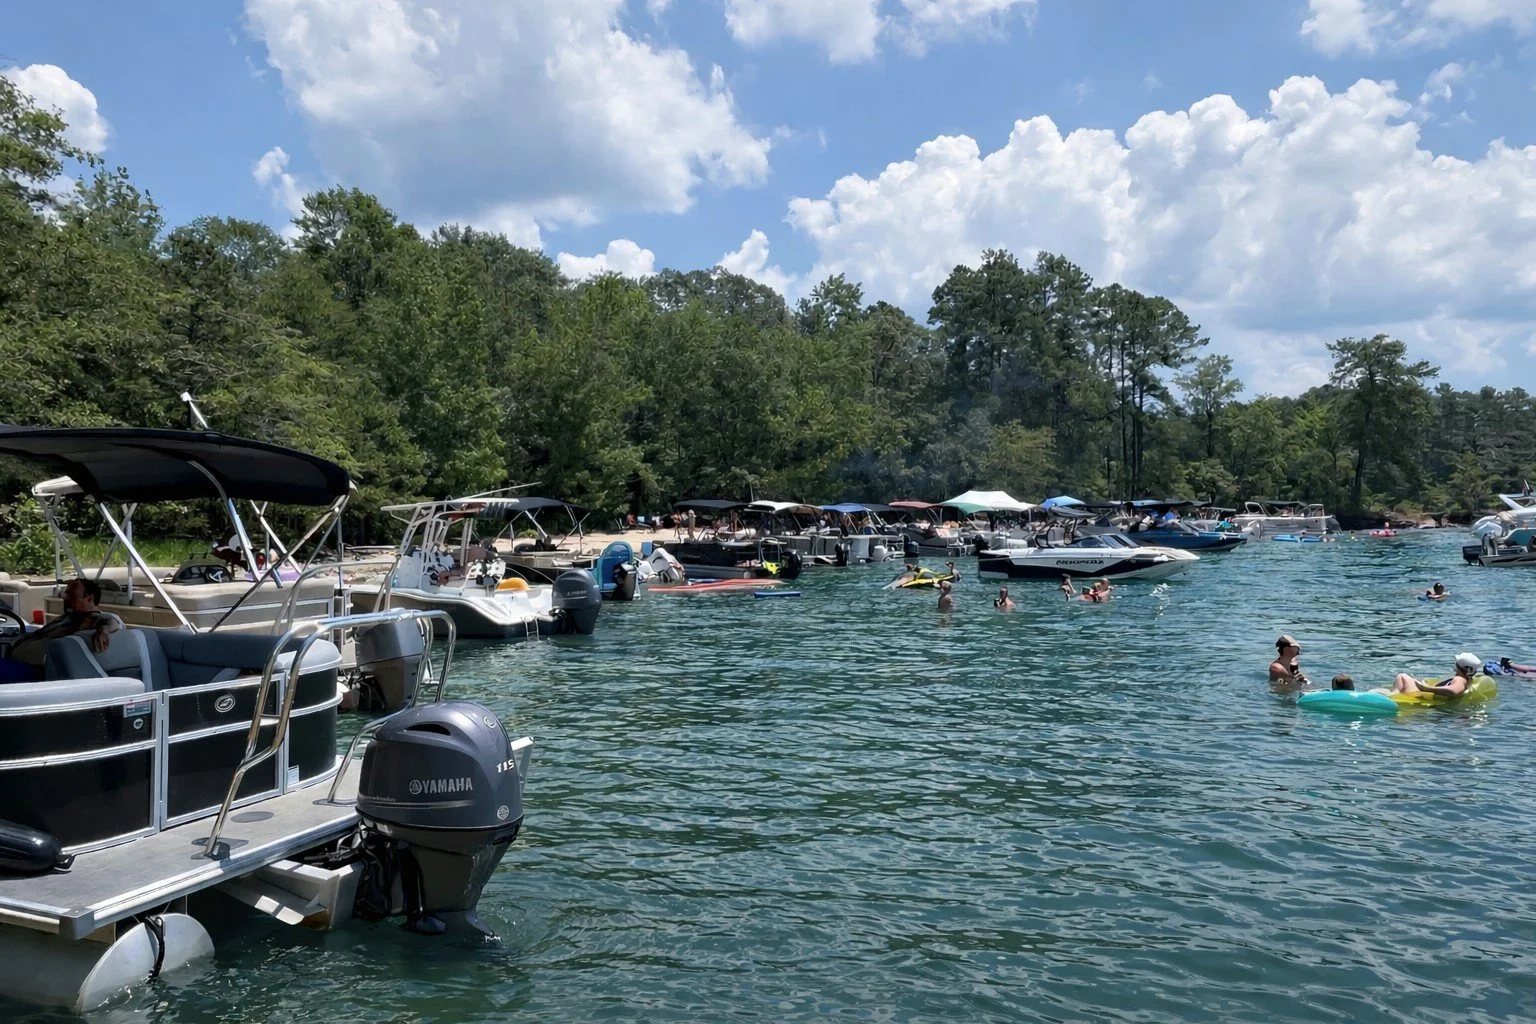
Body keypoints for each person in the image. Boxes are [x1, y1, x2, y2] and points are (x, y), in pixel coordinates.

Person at [0, 578, 123, 683]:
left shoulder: (89, 619)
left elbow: (111, 621)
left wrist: (103, 630)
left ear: (89, 599)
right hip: (16, 659)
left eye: (71, 596)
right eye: (66, 594)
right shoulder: (70, 616)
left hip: (36, 670)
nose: (65, 598)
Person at [1392, 652, 1482, 696]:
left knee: (1402, 676)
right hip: (1429, 694)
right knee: (1412, 680)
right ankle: (1394, 692)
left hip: (1425, 696)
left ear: (1460, 666)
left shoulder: (1459, 679)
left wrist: (1426, 689)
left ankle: (1393, 696)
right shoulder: (1467, 678)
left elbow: (1454, 691)